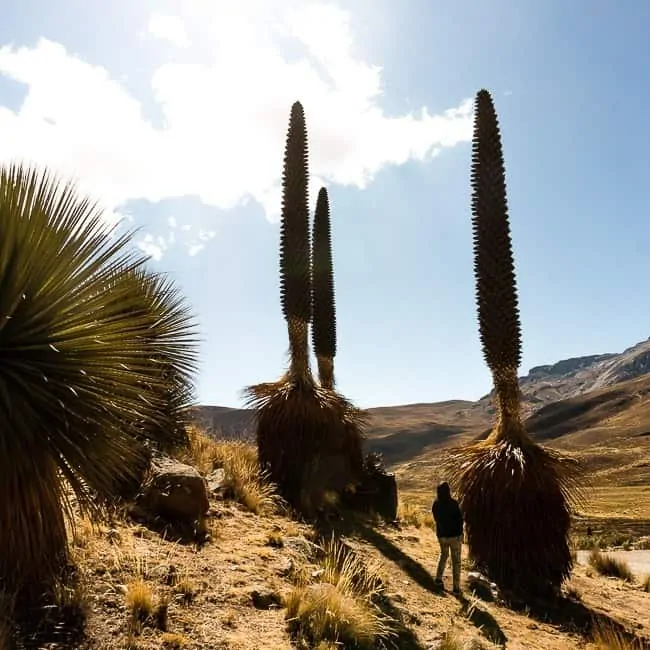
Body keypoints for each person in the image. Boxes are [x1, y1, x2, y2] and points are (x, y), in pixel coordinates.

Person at [431, 481, 464, 594]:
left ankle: (438, 579)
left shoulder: (435, 504)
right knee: (456, 562)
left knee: (443, 556)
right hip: (455, 536)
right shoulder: (454, 504)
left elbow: (436, 519)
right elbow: (460, 520)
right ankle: (456, 588)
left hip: (442, 536)